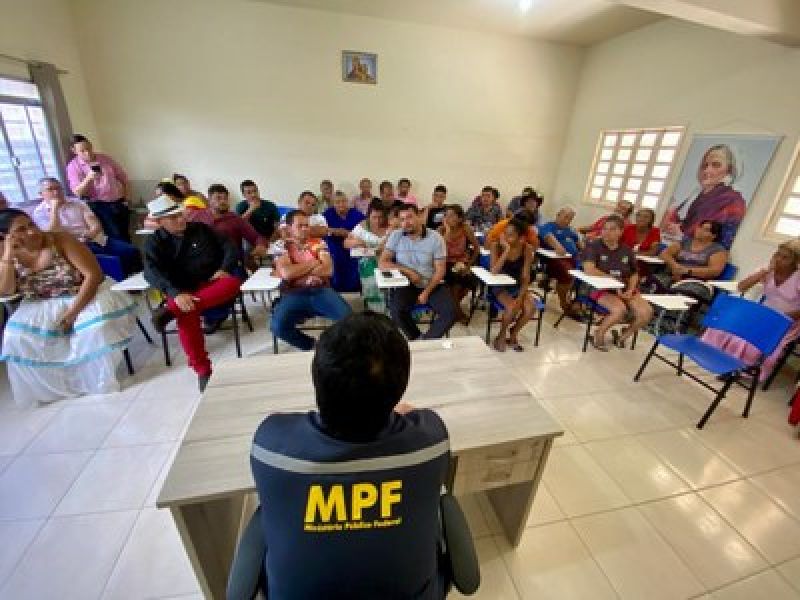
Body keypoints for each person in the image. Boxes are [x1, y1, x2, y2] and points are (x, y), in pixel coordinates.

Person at [250, 312, 450, 599]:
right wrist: (397, 413)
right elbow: (420, 418)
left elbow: (280, 425)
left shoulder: (270, 445)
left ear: (317, 379)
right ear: (400, 386)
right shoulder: (431, 440)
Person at [0, 208, 136, 407]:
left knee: (92, 329)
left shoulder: (60, 240)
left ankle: (92, 381)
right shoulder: (5, 253)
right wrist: (7, 256)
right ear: (5, 236)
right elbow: (6, 290)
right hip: (40, 302)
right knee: (15, 337)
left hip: (84, 293)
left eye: (31, 224)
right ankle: (56, 386)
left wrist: (72, 313)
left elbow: (93, 275)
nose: (31, 231)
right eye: (21, 230)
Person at [143, 195, 242, 391]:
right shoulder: (154, 242)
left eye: (180, 214)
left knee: (232, 283)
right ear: (160, 222)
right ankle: (203, 371)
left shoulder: (201, 229)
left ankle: (170, 312)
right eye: (173, 218)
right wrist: (175, 293)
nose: (181, 219)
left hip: (211, 284)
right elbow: (151, 272)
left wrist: (225, 268)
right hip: (181, 291)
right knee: (187, 314)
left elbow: (229, 246)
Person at [702, 241, 800, 383]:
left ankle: (738, 369)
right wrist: (765, 271)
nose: (779, 259)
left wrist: (779, 318)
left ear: (796, 262)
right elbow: (742, 287)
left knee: (751, 339)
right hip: (763, 313)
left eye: (785, 257)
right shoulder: (767, 271)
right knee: (726, 325)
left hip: (787, 321)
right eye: (778, 254)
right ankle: (717, 356)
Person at [271, 210, 352, 350]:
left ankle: (335, 348)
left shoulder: (319, 242)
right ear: (289, 228)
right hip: (294, 293)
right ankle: (312, 345)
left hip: (321, 290)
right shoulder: (281, 245)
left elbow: (328, 270)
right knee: (278, 327)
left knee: (350, 321)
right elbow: (287, 273)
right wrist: (314, 263)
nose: (305, 229)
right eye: (300, 226)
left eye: (307, 225)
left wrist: (297, 271)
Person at [32, 177, 142, 277]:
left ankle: (135, 282)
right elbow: (52, 233)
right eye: (50, 189)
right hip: (73, 247)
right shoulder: (39, 213)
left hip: (94, 239)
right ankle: (121, 284)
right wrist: (54, 209)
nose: (56, 192)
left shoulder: (77, 203)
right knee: (111, 261)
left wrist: (89, 236)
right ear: (41, 194)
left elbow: (95, 224)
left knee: (131, 251)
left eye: (58, 188)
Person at [379, 205, 455, 340]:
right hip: (407, 284)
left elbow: (440, 270)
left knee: (450, 312)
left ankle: (426, 341)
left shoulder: (436, 238)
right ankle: (416, 337)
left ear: (419, 216)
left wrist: (426, 292)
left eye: (409, 217)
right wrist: (408, 271)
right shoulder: (396, 235)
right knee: (396, 310)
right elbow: (383, 262)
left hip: (432, 283)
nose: (405, 223)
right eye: (402, 219)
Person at [582, 214, 653, 351]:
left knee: (646, 313)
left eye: (612, 229)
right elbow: (589, 269)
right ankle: (598, 333)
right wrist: (613, 280)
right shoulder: (593, 246)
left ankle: (623, 336)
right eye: (605, 228)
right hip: (601, 288)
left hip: (625, 287)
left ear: (620, 232)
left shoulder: (627, 250)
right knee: (619, 310)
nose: (606, 232)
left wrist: (630, 290)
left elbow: (634, 273)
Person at [660, 144, 745, 249]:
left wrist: (682, 236)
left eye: (716, 165)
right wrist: (673, 224)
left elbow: (722, 244)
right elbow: (683, 224)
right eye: (705, 165)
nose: (706, 171)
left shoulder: (733, 201)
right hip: (675, 247)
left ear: (729, 170)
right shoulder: (699, 195)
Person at [66, 134, 132, 241]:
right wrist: (88, 178)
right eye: (82, 151)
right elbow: (77, 192)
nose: (87, 153)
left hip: (119, 203)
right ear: (74, 151)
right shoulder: (73, 166)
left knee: (126, 235)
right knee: (115, 237)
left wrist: (126, 199)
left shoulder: (105, 158)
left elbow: (123, 178)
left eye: (89, 148)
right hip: (99, 206)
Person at [489, 218, 537, 352]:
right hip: (499, 284)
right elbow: (494, 271)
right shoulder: (496, 245)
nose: (505, 237)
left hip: (517, 284)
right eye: (505, 233)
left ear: (521, 238)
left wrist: (521, 296)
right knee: (511, 307)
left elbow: (526, 276)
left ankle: (513, 333)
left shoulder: (527, 249)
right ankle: (501, 335)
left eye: (510, 235)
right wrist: (506, 250)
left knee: (530, 308)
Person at [654, 220, 728, 302]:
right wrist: (675, 266)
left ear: (713, 235)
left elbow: (714, 271)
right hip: (674, 275)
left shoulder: (717, 250)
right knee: (654, 282)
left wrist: (687, 271)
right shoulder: (685, 242)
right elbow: (664, 254)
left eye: (706, 230)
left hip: (696, 282)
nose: (700, 231)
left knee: (679, 293)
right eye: (700, 227)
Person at [538, 206, 584, 319]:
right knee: (569, 273)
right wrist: (557, 246)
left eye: (570, 218)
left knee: (586, 273)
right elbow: (548, 237)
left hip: (574, 258)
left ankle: (578, 302)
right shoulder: (548, 226)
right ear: (558, 215)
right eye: (566, 217)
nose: (567, 221)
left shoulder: (571, 230)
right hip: (555, 259)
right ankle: (565, 303)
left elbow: (580, 245)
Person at [345, 204, 392, 312]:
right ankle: (372, 313)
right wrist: (357, 242)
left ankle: (388, 314)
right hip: (367, 266)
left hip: (386, 264)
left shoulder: (390, 226)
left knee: (387, 291)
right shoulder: (362, 226)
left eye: (380, 217)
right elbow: (346, 243)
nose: (377, 221)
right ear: (368, 216)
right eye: (374, 217)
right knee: (371, 291)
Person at [207, 183, 267, 268]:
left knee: (267, 265)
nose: (223, 201)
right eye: (218, 198)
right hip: (205, 264)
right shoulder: (198, 216)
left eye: (225, 198)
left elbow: (256, 237)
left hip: (231, 264)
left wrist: (260, 245)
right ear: (209, 200)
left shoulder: (235, 219)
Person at [438, 204, 479, 325]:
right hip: (445, 263)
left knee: (470, 282)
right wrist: (447, 232)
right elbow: (439, 250)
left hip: (462, 262)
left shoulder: (465, 229)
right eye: (446, 215)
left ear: (460, 218)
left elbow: (476, 248)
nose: (447, 218)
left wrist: (468, 265)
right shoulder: (441, 230)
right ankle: (457, 313)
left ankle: (451, 306)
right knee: (455, 284)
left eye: (451, 215)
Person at [322, 191, 363, 292]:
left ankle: (355, 288)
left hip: (352, 244)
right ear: (333, 203)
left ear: (347, 202)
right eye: (337, 202)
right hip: (334, 244)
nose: (341, 204)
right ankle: (336, 289)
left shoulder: (356, 214)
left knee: (356, 258)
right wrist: (335, 231)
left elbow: (364, 229)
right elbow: (322, 230)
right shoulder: (327, 214)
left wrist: (347, 234)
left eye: (344, 201)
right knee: (335, 256)